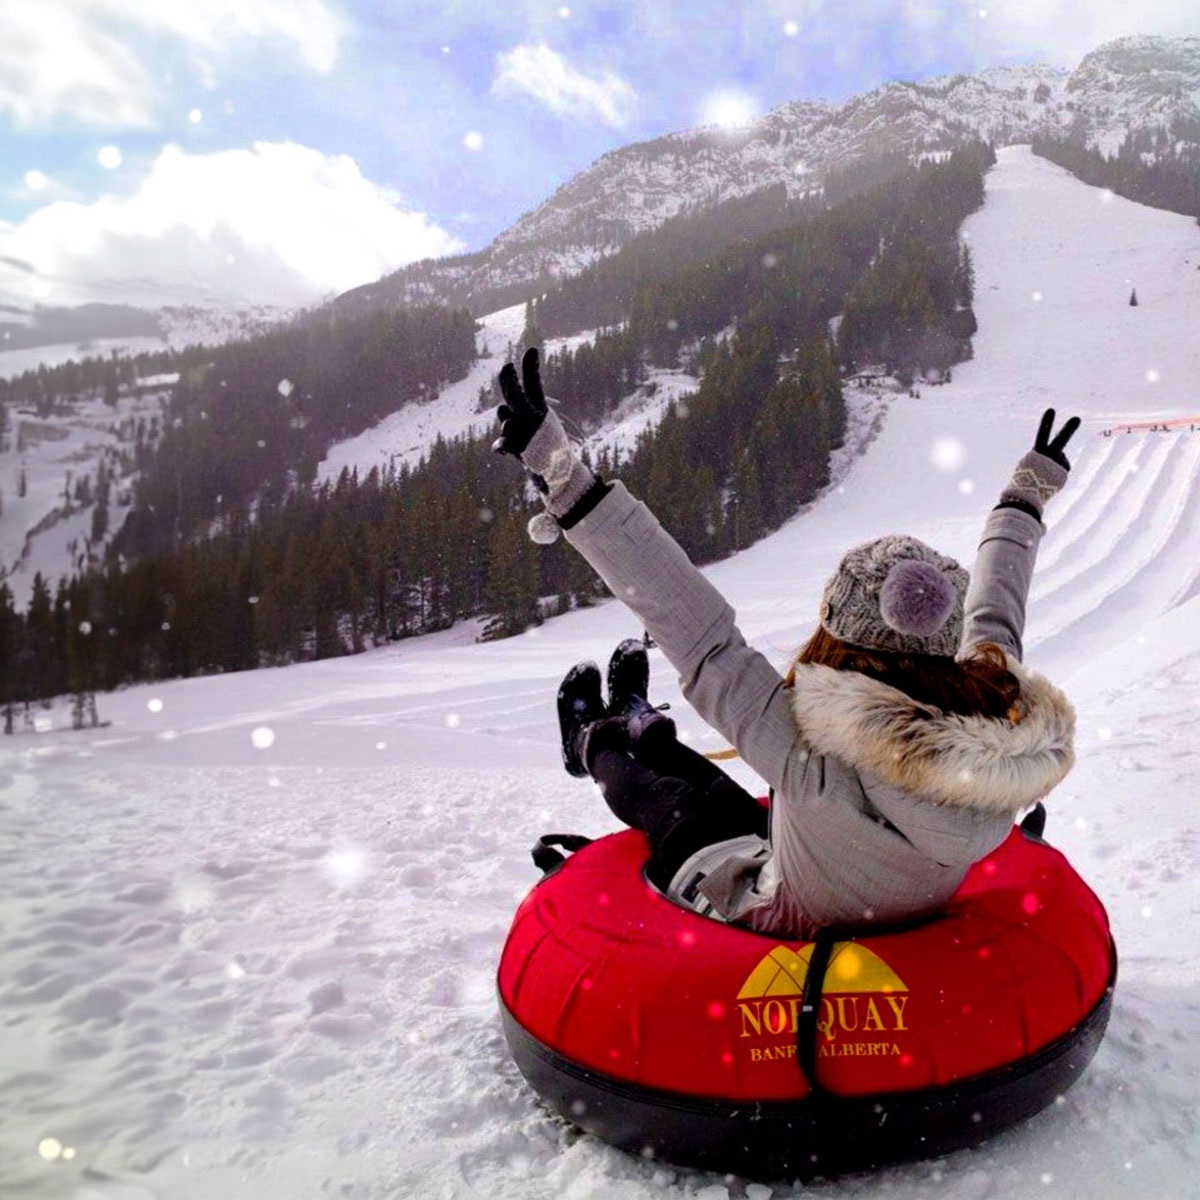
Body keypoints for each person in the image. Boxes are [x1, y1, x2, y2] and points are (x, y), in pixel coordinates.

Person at [494, 348, 1080, 938]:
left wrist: (569, 485)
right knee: (723, 802)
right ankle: (643, 725)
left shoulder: (815, 758)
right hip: (862, 891)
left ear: (841, 639)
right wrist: (1021, 503)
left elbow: (704, 641)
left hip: (770, 922)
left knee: (676, 810)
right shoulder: (996, 738)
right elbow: (996, 624)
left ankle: (594, 742)